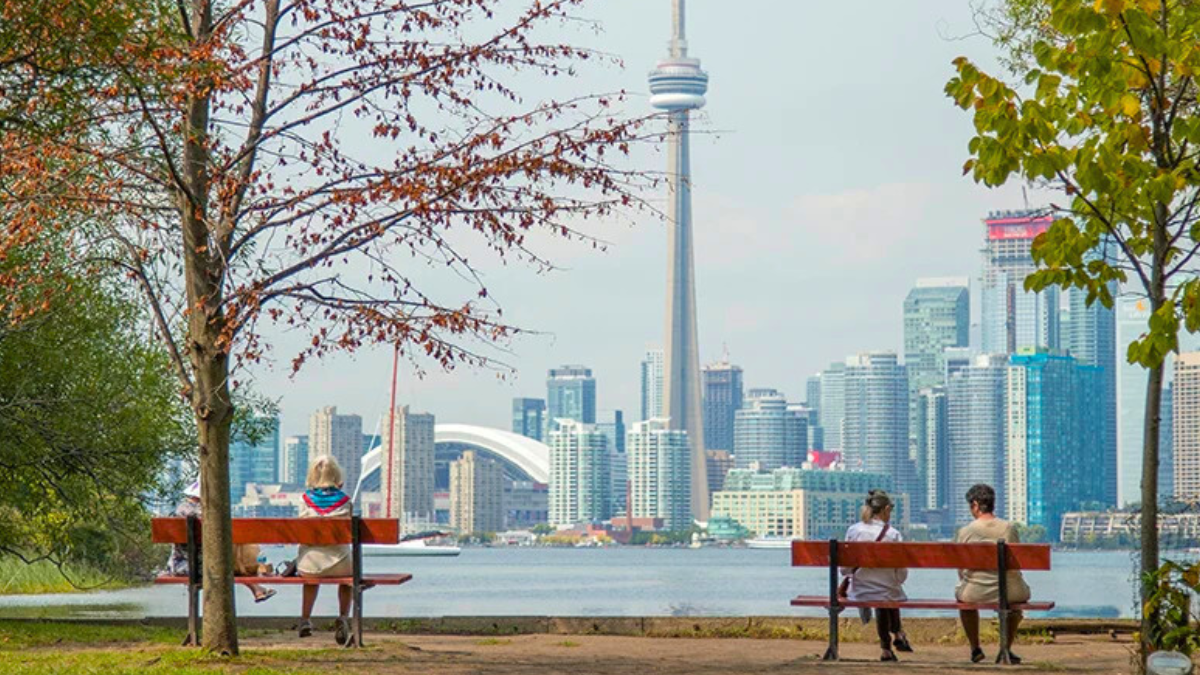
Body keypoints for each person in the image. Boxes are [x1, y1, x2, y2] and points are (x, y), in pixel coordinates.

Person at [955, 483, 1032, 664]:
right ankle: (1005, 648)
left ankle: (975, 648)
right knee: (1016, 602)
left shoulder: (965, 531)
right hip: (1011, 591)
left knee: (964, 600)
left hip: (976, 591)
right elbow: (1016, 564)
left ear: (975, 505)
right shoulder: (1009, 528)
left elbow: (960, 569)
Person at [163, 481, 276, 603]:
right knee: (229, 563)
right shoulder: (209, 513)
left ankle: (257, 589)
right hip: (205, 568)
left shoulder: (180, 510)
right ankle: (257, 587)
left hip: (180, 566)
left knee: (228, 562)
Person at [840, 489, 912, 662]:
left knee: (885, 595)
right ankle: (894, 637)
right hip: (887, 591)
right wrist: (895, 581)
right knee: (888, 594)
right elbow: (901, 573)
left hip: (859, 591)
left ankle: (890, 644)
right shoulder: (893, 534)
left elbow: (845, 569)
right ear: (886, 509)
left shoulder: (853, 530)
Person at [296, 456, 355, 645]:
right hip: (341, 564)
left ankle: (305, 618)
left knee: (311, 575)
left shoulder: (305, 500)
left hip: (310, 564)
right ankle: (343, 617)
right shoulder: (345, 502)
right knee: (347, 581)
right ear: (337, 475)